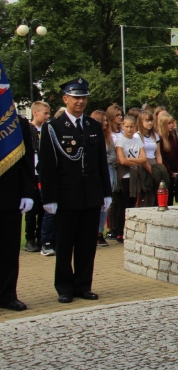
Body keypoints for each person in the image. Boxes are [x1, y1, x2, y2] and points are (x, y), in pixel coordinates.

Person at [39, 77, 112, 304]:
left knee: (86, 243)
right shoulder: (53, 127)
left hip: (90, 194)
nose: (80, 101)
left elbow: (101, 162)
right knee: (65, 243)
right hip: (66, 195)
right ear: (65, 99)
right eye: (75, 97)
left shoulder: (92, 126)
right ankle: (64, 287)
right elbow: (47, 166)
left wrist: (106, 192)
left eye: (83, 97)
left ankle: (83, 285)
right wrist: (49, 197)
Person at [0, 96, 36, 311]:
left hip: (10, 195)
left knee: (9, 248)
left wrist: (27, 193)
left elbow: (27, 160)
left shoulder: (19, 124)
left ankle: (7, 294)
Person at [23, 101, 50, 253]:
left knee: (42, 207)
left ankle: (42, 236)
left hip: (44, 174)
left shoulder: (48, 129)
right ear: (35, 113)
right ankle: (29, 239)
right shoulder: (28, 129)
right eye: (45, 113)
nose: (47, 116)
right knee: (31, 209)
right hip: (32, 174)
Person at [115, 115, 147, 236]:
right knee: (124, 204)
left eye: (132, 127)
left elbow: (144, 159)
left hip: (136, 175)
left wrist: (132, 160)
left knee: (133, 203)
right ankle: (119, 232)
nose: (129, 129)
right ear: (123, 127)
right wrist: (136, 160)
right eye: (127, 127)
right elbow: (122, 161)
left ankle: (130, 230)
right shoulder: (120, 141)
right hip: (125, 175)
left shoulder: (137, 139)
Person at [92, 109, 116, 246]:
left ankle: (100, 232)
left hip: (108, 170)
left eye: (107, 120)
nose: (106, 123)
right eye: (104, 120)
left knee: (105, 203)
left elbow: (112, 155)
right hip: (95, 171)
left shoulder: (108, 137)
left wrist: (102, 160)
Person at [156, 112, 178, 207]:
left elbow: (177, 154)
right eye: (169, 123)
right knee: (166, 191)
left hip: (174, 164)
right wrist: (171, 173)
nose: (171, 125)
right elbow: (162, 157)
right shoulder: (160, 138)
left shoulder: (173, 137)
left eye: (172, 123)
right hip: (166, 167)